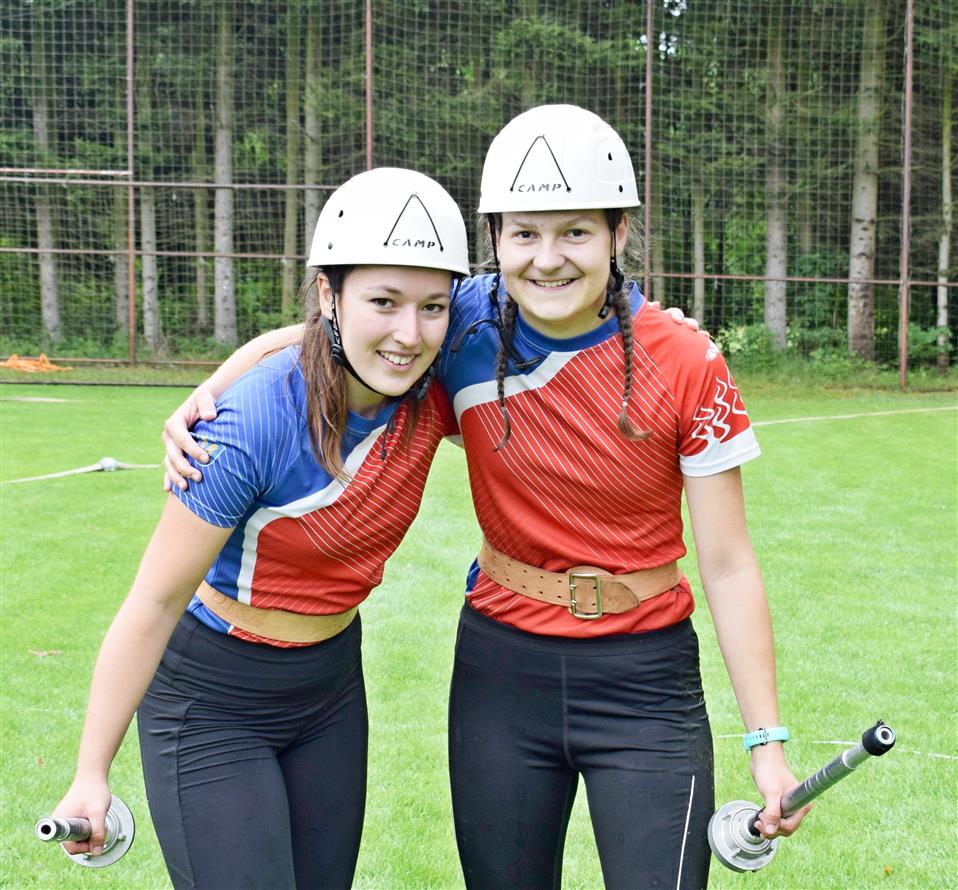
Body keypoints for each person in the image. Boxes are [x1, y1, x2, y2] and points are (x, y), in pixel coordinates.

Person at [163, 105, 808, 889]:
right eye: (524, 233)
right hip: (502, 675)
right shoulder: (460, 320)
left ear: (619, 234)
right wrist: (209, 393)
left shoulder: (688, 361)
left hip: (646, 679)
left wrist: (766, 743)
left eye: (576, 232)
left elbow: (729, 564)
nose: (548, 258)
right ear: (495, 237)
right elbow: (327, 336)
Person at [50, 167, 470, 889]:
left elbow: (560, 293)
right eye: (382, 301)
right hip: (211, 697)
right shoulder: (251, 421)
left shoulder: (434, 374)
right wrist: (91, 773)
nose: (409, 333)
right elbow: (153, 602)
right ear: (328, 295)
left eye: (432, 306)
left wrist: (656, 324)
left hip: (330, 688)